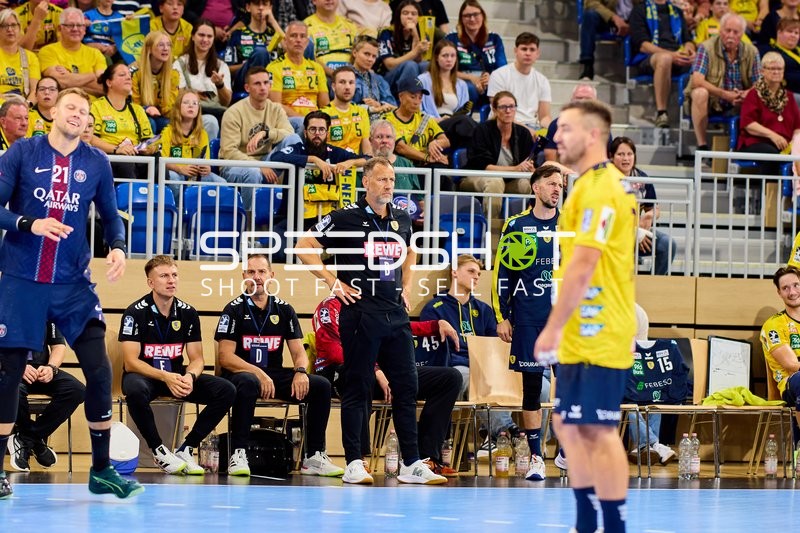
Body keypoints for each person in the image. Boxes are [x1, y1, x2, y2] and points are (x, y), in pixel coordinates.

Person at [0, 87, 143, 500]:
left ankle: (101, 471)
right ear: (53, 113)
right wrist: (30, 223)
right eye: (71, 108)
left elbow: (112, 216)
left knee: (99, 369)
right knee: (9, 374)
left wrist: (117, 246)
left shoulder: (96, 161)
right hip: (22, 278)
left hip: (73, 283)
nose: (78, 115)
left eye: (84, 111)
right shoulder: (23, 153)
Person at [296, 156, 448, 485]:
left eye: (391, 180)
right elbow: (303, 245)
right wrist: (332, 281)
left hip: (395, 314)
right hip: (360, 313)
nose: (389, 186)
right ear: (366, 182)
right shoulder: (345, 217)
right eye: (382, 180)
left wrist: (407, 286)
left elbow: (411, 251)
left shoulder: (402, 218)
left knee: (407, 387)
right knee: (358, 386)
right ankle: (354, 462)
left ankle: (410, 463)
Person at [534, 100, 637, 533]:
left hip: (599, 327)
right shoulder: (587, 186)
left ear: (593, 135)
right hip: (582, 328)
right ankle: (585, 520)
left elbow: (584, 265)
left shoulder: (603, 189)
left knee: (597, 429)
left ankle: (613, 525)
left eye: (566, 130)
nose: (556, 136)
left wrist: (550, 328)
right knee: (568, 425)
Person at [215, 254, 345, 478]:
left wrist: (301, 372)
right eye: (251, 272)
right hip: (241, 373)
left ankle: (313, 456)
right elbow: (225, 357)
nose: (257, 277)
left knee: (321, 385)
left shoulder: (284, 310)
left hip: (273, 374)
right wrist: (258, 373)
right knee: (247, 382)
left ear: (271, 276)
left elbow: (298, 352)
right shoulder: (233, 310)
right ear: (243, 275)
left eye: (262, 272)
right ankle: (239, 453)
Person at [313, 294, 462, 476]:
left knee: (450, 378)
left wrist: (434, 325)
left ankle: (426, 457)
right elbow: (333, 351)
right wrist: (375, 369)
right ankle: (358, 461)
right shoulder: (330, 306)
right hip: (340, 370)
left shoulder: (378, 302)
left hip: (379, 372)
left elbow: (401, 328)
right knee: (362, 374)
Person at [119, 255, 236, 475]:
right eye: (164, 276)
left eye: (174, 275)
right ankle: (158, 450)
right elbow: (131, 362)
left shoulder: (188, 313)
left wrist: (190, 376)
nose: (171, 280)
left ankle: (186, 448)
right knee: (134, 389)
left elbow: (198, 359)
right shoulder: (135, 312)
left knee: (226, 389)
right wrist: (165, 377)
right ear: (151, 282)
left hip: (177, 376)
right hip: (147, 376)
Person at [493, 164, 565, 481]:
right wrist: (502, 316)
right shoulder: (517, 226)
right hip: (529, 318)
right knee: (532, 389)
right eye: (551, 184)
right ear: (535, 188)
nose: (557, 189)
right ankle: (536, 458)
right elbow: (502, 274)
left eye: (560, 184)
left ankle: (566, 453)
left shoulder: (570, 225)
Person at [419, 254, 515, 461]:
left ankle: (496, 436)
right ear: (455, 272)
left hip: (483, 368)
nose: (477, 277)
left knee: (488, 377)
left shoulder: (484, 310)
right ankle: (505, 432)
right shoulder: (435, 307)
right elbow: (429, 348)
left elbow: (493, 346)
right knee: (466, 375)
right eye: (471, 271)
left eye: (479, 274)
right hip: (450, 367)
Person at [6, 322, 85, 472]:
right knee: (14, 390)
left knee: (76, 390)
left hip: (40, 370)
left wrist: (51, 367)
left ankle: (26, 439)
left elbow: (58, 346)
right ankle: (33, 441)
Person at [270, 109, 367, 228]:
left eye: (321, 130)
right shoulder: (298, 149)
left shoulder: (335, 153)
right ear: (305, 133)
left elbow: (369, 159)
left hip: (327, 222)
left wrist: (350, 162)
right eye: (313, 129)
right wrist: (313, 159)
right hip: (292, 219)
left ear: (327, 133)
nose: (317, 133)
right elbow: (277, 157)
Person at [219, 67, 298, 208]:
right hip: (235, 165)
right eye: (257, 84)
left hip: (266, 162)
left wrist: (266, 133)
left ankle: (289, 209)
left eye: (266, 83)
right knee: (253, 172)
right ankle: (250, 222)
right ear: (247, 88)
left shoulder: (275, 109)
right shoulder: (233, 113)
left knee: (294, 141)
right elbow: (229, 152)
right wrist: (259, 166)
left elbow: (290, 134)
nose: (263, 87)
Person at [684, 12, 761, 152]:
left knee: (760, 95)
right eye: (727, 30)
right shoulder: (706, 48)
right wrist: (724, 94)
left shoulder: (752, 51)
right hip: (713, 101)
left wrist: (746, 94)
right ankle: (702, 146)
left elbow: (759, 83)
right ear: (720, 30)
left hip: (739, 100)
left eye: (735, 32)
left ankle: (749, 147)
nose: (730, 35)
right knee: (699, 93)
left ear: (742, 34)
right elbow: (697, 80)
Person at [610, 136, 678, 275]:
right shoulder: (605, 178)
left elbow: (654, 208)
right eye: (620, 154)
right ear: (611, 157)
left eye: (629, 154)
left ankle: (654, 286)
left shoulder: (642, 178)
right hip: (610, 234)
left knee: (667, 245)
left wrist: (650, 215)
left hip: (638, 234)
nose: (626, 158)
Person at [463, 91, 535, 218]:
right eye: (503, 107)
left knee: (529, 184)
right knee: (495, 182)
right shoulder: (482, 130)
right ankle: (492, 230)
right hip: (477, 178)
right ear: (494, 110)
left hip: (509, 181)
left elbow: (530, 161)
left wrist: (530, 168)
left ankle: (524, 226)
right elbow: (483, 166)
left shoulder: (523, 134)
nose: (508, 111)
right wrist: (517, 168)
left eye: (512, 106)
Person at [624, 303, 679, 466]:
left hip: (627, 367)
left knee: (655, 394)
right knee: (626, 402)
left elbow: (640, 354)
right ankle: (655, 445)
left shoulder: (638, 313)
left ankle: (645, 447)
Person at [629, 0, 696, 128]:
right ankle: (662, 112)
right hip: (649, 57)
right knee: (664, 58)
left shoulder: (676, 11)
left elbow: (687, 39)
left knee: (704, 59)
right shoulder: (639, 10)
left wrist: (689, 50)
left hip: (677, 54)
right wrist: (671, 55)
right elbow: (643, 45)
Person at [383, 76, 453, 190]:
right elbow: (401, 148)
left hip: (424, 168)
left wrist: (435, 143)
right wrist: (427, 157)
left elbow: (446, 141)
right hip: (401, 169)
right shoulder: (388, 120)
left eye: (420, 98)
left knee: (441, 171)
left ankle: (440, 206)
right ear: (401, 96)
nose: (417, 102)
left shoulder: (425, 119)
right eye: (413, 97)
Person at [737, 51, 800, 177]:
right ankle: (769, 195)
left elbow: (797, 127)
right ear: (762, 71)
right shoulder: (753, 94)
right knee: (771, 155)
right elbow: (748, 124)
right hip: (756, 142)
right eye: (772, 68)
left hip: (785, 145)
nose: (776, 72)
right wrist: (773, 136)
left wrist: (794, 143)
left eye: (779, 69)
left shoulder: (789, 96)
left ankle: (793, 195)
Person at [90, 63, 156, 180]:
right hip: (110, 157)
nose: (128, 78)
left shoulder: (138, 110)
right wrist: (117, 149)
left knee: (157, 163)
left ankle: (157, 198)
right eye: (122, 75)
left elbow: (148, 140)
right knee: (125, 163)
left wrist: (149, 148)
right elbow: (91, 138)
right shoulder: (97, 106)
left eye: (129, 75)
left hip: (135, 155)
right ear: (109, 82)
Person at [266, 20, 329, 135]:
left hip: (314, 122)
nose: (298, 40)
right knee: (301, 124)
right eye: (293, 36)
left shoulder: (317, 68)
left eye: (303, 36)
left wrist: (316, 121)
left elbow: (325, 105)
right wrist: (306, 120)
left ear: (307, 42)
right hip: (288, 121)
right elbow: (276, 105)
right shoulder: (274, 68)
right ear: (285, 40)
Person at [162, 88, 227, 198]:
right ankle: (178, 211)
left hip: (195, 174)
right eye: (186, 103)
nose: (191, 106)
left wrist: (206, 167)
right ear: (178, 107)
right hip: (177, 172)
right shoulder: (168, 132)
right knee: (173, 178)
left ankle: (211, 213)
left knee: (222, 183)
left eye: (195, 103)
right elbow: (163, 160)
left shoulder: (202, 134)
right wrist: (181, 169)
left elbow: (205, 161)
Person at [174, 19, 232, 138]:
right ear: (193, 36)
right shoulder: (180, 63)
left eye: (209, 36)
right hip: (190, 115)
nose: (205, 40)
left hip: (218, 113)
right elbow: (178, 95)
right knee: (211, 122)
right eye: (201, 35)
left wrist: (220, 85)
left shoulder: (222, 66)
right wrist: (207, 95)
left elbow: (226, 102)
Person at [761, 266, 800, 433]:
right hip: (791, 384)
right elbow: (792, 365)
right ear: (779, 293)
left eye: (796, 285)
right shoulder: (774, 325)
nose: (792, 292)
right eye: (785, 288)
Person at [487, 32, 552, 132]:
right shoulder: (498, 75)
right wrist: (527, 131)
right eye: (524, 49)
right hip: (504, 125)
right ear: (515, 51)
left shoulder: (543, 81)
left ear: (537, 53)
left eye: (532, 50)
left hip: (533, 127)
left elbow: (544, 117)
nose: (528, 53)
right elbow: (499, 112)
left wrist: (553, 129)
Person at [445, 0, 507, 105]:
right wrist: (471, 78)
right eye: (467, 16)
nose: (472, 19)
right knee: (469, 88)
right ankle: (464, 120)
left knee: (501, 89)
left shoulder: (494, 38)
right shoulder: (451, 38)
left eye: (475, 14)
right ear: (461, 19)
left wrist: (491, 77)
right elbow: (445, 70)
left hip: (488, 80)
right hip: (460, 80)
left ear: (483, 16)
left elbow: (503, 69)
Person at [38, 7, 105, 96]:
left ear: (84, 30)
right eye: (70, 25)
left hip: (93, 106)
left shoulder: (96, 54)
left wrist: (70, 77)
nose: (75, 29)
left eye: (79, 25)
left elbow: (104, 87)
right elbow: (60, 82)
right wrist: (92, 76)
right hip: (61, 105)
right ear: (59, 28)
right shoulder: (47, 51)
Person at [224, 0, 283, 95]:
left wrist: (273, 21)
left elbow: (293, 50)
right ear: (248, 7)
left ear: (270, 8)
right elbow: (226, 69)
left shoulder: (276, 35)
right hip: (244, 82)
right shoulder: (237, 34)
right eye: (256, 4)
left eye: (264, 4)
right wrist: (251, 63)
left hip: (273, 83)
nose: (260, 8)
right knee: (260, 53)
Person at [377, 0, 431, 96]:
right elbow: (389, 65)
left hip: (410, 74)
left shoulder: (422, 34)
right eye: (405, 13)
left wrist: (415, 36)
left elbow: (419, 61)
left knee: (426, 65)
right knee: (410, 65)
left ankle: (424, 103)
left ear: (419, 18)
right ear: (399, 16)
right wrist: (415, 52)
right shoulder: (387, 33)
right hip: (388, 79)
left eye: (414, 14)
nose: (409, 17)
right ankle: (406, 101)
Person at [132, 30, 180, 134]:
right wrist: (146, 109)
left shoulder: (173, 75)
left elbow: (170, 107)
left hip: (162, 117)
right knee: (150, 123)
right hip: (138, 116)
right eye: (160, 45)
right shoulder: (135, 73)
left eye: (168, 45)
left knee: (173, 124)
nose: (166, 49)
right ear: (149, 49)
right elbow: (131, 104)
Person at [320, 65, 372, 155]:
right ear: (333, 86)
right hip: (332, 166)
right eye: (342, 82)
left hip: (355, 166)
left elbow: (367, 149)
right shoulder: (322, 114)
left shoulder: (361, 112)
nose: (347, 87)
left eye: (351, 82)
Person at [543, 84, 598, 163]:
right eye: (579, 98)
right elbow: (550, 156)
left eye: (588, 98)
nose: (582, 101)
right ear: (572, 100)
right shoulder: (557, 125)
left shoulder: (602, 127)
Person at [578, 0, 632, 81]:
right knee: (589, 15)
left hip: (634, 19)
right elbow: (590, 2)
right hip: (609, 19)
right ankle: (587, 66)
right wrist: (613, 17)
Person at [418, 39, 471, 120]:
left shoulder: (462, 84)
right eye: (445, 55)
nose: (449, 59)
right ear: (436, 57)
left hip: (454, 124)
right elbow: (417, 112)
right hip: (432, 125)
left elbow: (466, 114)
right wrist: (438, 120)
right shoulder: (423, 80)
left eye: (453, 56)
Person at [304, 0, 360, 77]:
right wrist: (334, 74)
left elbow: (360, 54)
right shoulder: (305, 27)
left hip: (352, 77)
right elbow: (309, 59)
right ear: (314, 1)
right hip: (322, 77)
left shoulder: (350, 25)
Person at [350, 35, 397, 122]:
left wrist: (378, 104)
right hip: (357, 123)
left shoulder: (378, 79)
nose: (370, 59)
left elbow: (394, 107)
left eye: (374, 56)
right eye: (366, 54)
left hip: (381, 124)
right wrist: (371, 108)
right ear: (354, 53)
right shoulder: (344, 76)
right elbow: (343, 107)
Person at [0, 9, 40, 99]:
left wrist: (27, 105)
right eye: (4, 26)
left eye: (13, 25)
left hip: (24, 106)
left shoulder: (30, 57)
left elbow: (35, 91)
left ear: (19, 28)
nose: (10, 29)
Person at [369, 119, 418, 191]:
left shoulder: (407, 164)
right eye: (379, 137)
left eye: (388, 137)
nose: (384, 141)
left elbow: (420, 199)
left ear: (394, 140)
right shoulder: (364, 165)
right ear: (370, 140)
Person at [768, 18, 800, 101]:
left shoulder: (798, 51)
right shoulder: (773, 53)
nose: (793, 35)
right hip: (787, 95)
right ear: (779, 33)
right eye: (789, 31)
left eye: (796, 33)